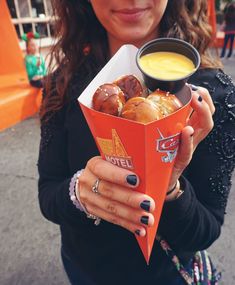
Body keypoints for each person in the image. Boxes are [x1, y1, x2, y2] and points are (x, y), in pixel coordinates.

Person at [38, 1, 235, 284]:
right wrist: (79, 193)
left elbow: (207, 229)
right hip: (83, 268)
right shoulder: (62, 85)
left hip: (166, 275)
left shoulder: (213, 95)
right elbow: (48, 193)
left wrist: (167, 186)